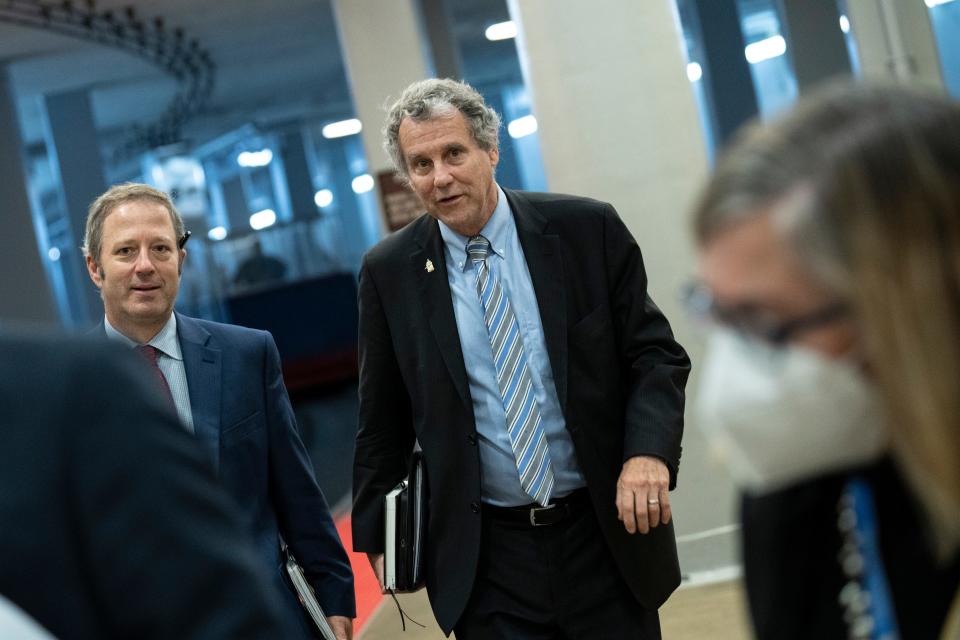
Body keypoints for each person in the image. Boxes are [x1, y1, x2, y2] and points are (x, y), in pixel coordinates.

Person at [352, 78, 690, 638]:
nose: (440, 177)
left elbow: (654, 355)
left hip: (601, 533)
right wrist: (378, 538)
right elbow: (380, 420)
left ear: (490, 149)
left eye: (454, 153)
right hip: (487, 556)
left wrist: (647, 453)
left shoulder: (586, 230)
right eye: (421, 164)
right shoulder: (390, 272)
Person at [690, 82, 960, 639]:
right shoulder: (810, 459)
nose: (738, 370)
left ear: (917, 306)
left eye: (761, 321)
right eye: (719, 313)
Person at [81, 182, 355, 639]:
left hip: (261, 617)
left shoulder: (246, 354)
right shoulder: (72, 384)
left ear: (181, 260)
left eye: (161, 248)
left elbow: (297, 491)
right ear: (95, 268)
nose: (145, 265)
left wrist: (335, 596)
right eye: (126, 251)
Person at [0, 331, 299, 638]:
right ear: (96, 279)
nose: (143, 278)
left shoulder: (72, 384)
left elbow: (294, 483)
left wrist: (333, 587)